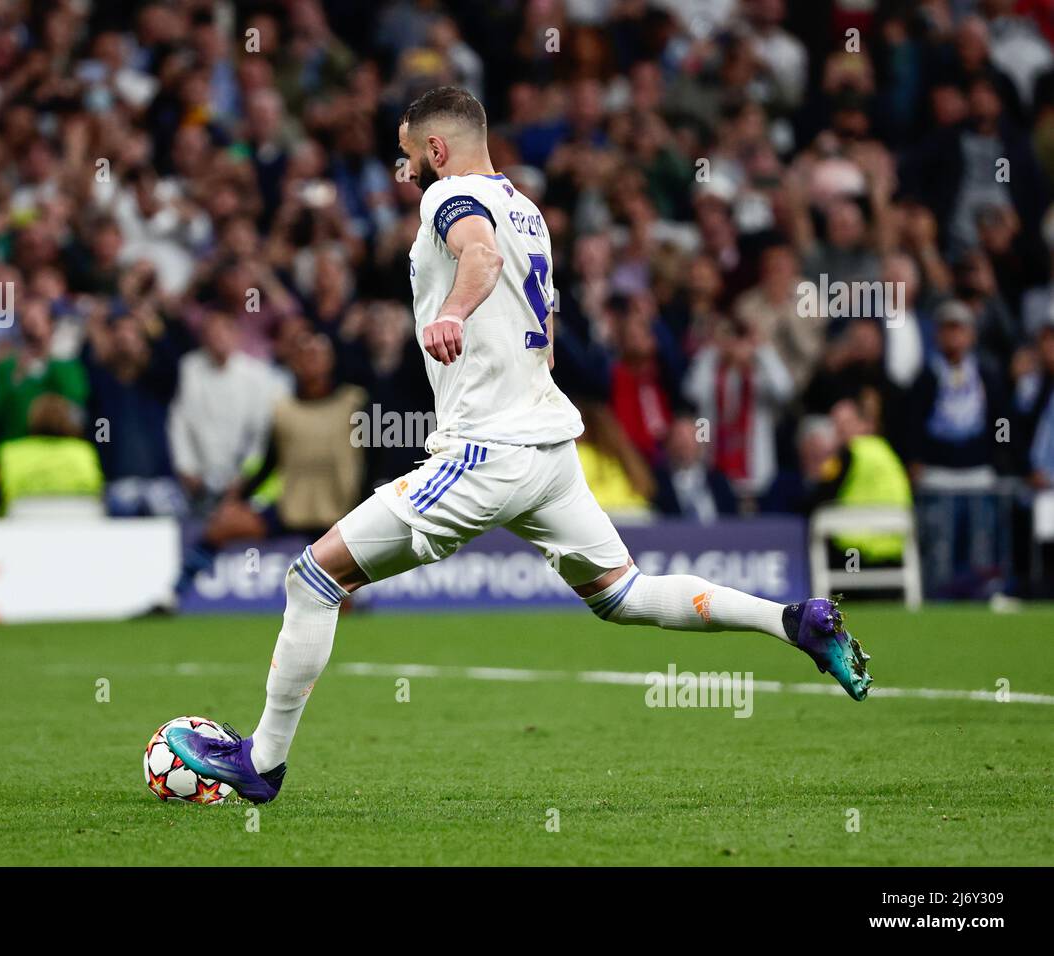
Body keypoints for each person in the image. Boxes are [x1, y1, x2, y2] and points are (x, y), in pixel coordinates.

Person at [165, 88, 873, 805]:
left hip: (487, 452)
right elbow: (547, 331)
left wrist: (451, 312)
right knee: (623, 594)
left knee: (312, 579)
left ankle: (264, 761)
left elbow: (477, 255)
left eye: (410, 153)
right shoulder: (528, 211)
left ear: (437, 150)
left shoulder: (451, 199)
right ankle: (793, 621)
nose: (404, 166)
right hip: (549, 451)